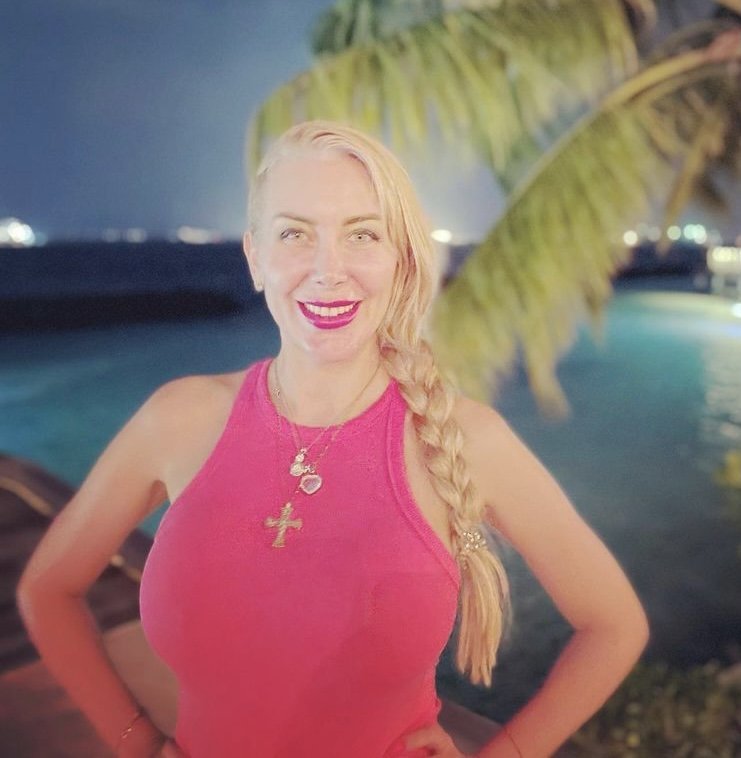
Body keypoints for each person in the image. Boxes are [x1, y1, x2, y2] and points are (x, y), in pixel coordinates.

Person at [17, 120, 649, 758]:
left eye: (362, 235)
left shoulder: (466, 440)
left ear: (401, 260)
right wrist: (134, 742)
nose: (328, 270)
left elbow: (613, 626)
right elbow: (47, 589)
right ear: (255, 257)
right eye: (295, 234)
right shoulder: (178, 419)